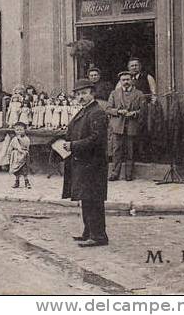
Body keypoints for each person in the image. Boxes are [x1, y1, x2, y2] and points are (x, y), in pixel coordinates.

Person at [60, 79, 110, 247]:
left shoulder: (96, 112)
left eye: (84, 93)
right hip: (83, 162)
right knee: (86, 198)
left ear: (92, 93)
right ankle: (88, 232)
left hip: (93, 164)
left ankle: (98, 236)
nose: (80, 97)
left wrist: (73, 145)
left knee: (93, 199)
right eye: (78, 94)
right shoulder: (85, 111)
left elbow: (96, 139)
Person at [107, 71, 146, 181]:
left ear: (132, 80)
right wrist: (118, 111)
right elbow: (108, 109)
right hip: (118, 126)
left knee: (130, 151)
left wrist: (134, 113)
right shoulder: (114, 93)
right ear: (120, 81)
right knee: (116, 151)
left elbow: (143, 110)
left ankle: (129, 174)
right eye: (123, 80)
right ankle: (115, 173)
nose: (126, 82)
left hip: (132, 126)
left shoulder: (139, 94)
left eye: (128, 79)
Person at [8, 122, 32, 189]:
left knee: (24, 169)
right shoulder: (14, 139)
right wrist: (9, 154)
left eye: (21, 130)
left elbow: (27, 146)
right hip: (16, 156)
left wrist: (20, 140)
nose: (19, 132)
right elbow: (11, 146)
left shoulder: (26, 139)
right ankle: (17, 182)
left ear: (24, 130)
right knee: (16, 171)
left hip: (23, 155)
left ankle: (27, 182)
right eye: (17, 130)